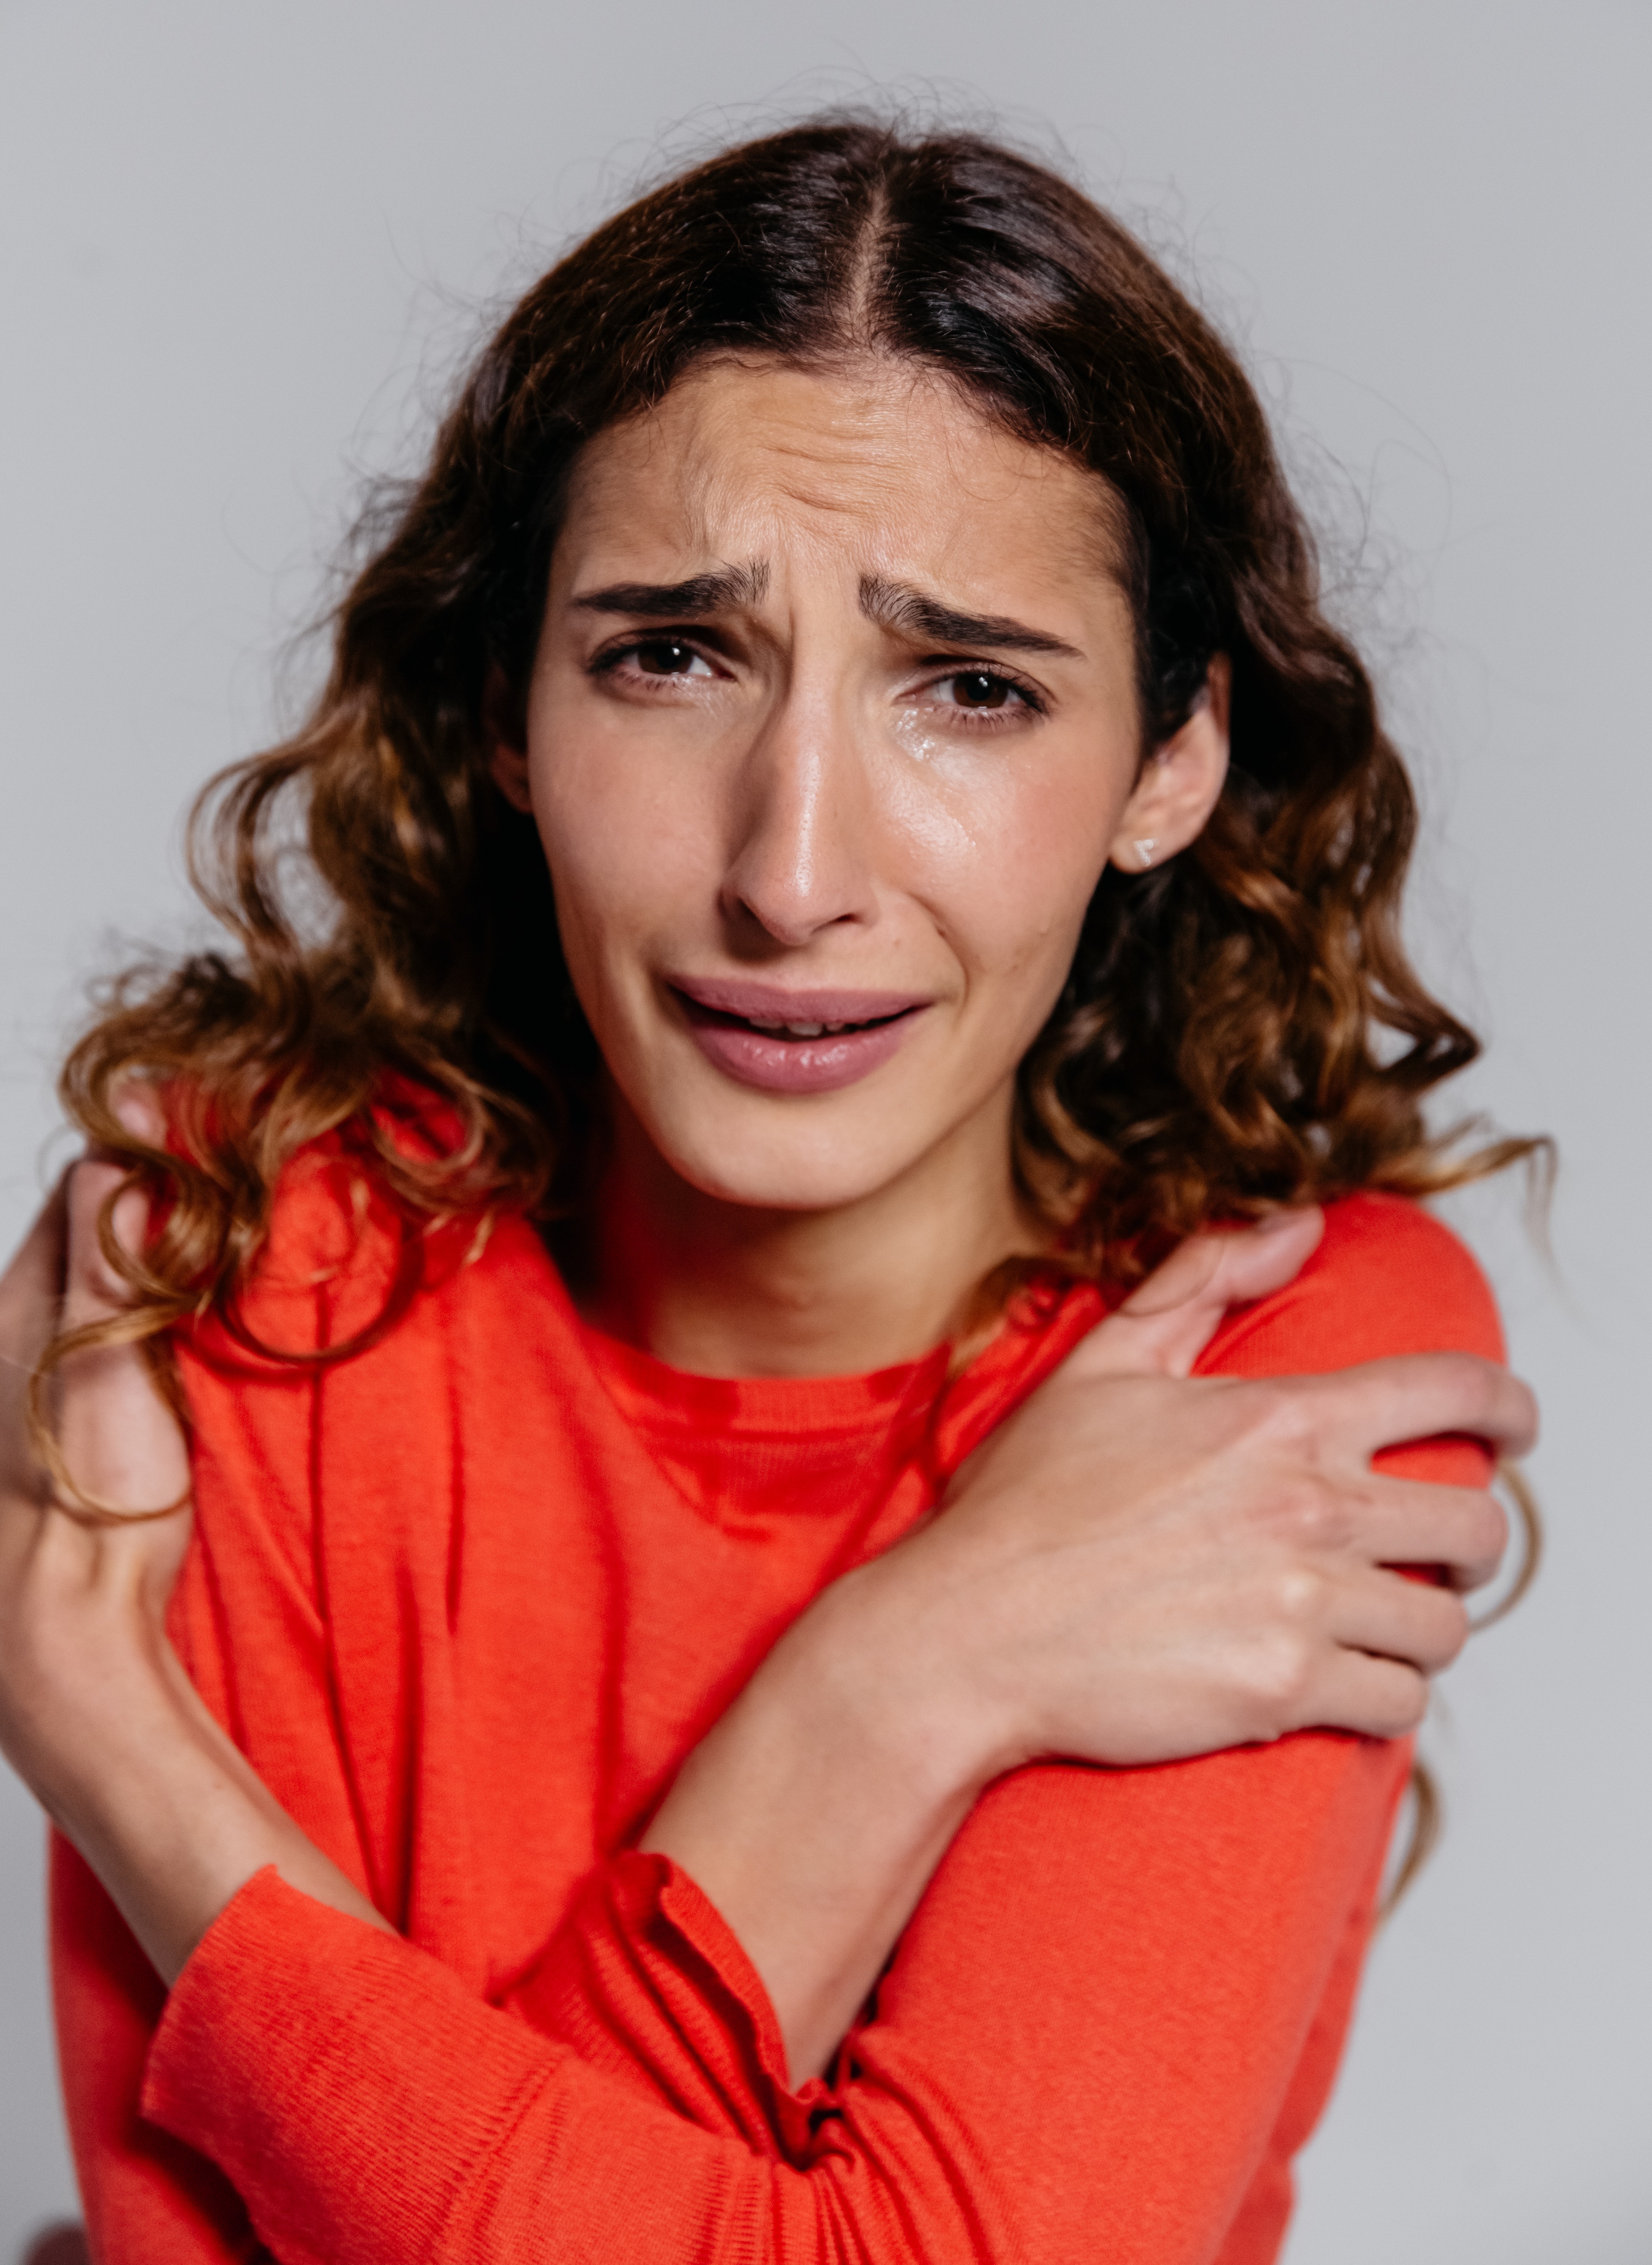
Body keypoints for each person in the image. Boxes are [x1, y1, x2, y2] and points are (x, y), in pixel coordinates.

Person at [0, 121, 1538, 2265]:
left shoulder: (1272, 1362)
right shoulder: (254, 1254)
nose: (789, 874)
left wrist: (120, 1757)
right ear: (510, 707)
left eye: (972, 689)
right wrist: (913, 1683)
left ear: (1171, 761)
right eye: (671, 657)